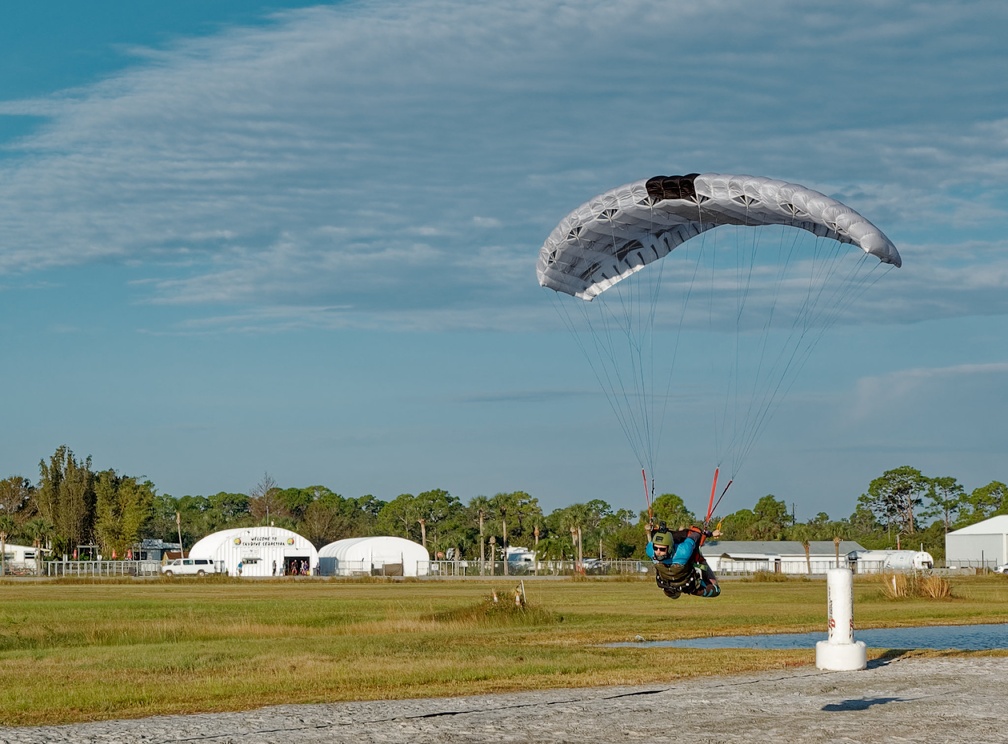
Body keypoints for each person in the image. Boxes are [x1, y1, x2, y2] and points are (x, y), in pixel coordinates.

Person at [646, 524, 721, 598]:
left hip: (688, 584)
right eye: (655, 548)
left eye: (662, 549)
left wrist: (709, 534)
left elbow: (695, 536)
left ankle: (701, 561)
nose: (658, 552)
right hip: (668, 584)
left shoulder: (683, 552)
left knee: (716, 590)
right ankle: (702, 561)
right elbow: (697, 534)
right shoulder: (650, 551)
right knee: (673, 595)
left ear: (670, 548)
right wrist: (709, 534)